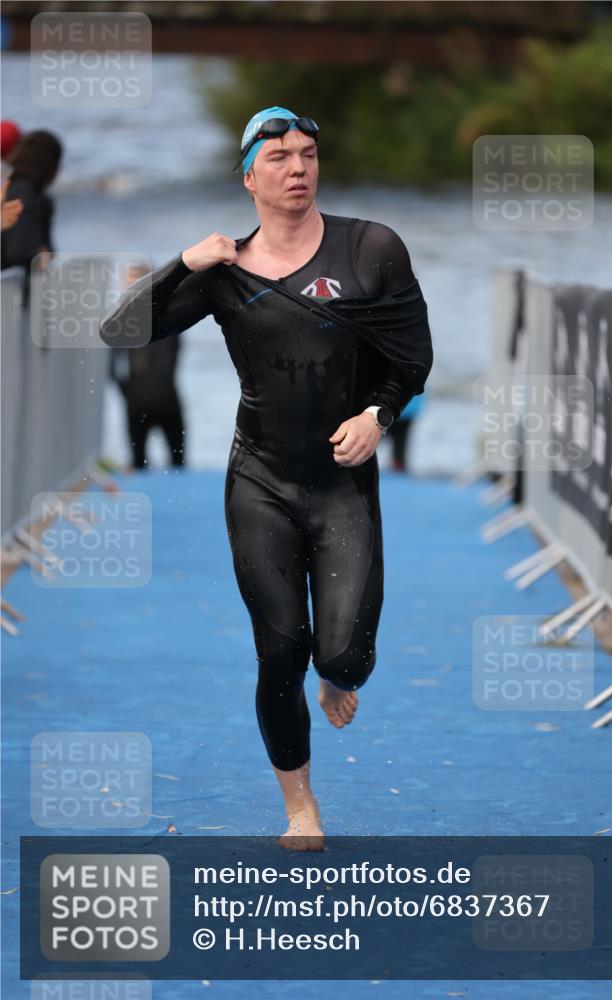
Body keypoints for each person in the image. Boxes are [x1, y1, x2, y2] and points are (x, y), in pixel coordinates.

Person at [100, 106, 432, 851]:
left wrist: (378, 415)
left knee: (343, 655)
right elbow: (118, 331)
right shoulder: (224, 272)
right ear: (249, 176)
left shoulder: (370, 248)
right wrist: (182, 265)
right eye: (278, 157)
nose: (297, 169)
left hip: (343, 481)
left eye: (308, 154)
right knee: (279, 649)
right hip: (261, 479)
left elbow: (412, 357)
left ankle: (339, 673)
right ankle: (301, 808)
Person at [109, 262, 187, 470]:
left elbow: (111, 367)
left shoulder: (121, 321)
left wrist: (125, 391)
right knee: (178, 465)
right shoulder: (172, 313)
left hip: (137, 398)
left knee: (138, 465)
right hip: (167, 396)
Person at [0, 129, 62, 273]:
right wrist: (41, 254)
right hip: (20, 288)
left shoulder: (13, 187)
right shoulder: (28, 195)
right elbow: (18, 251)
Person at [385, 390, 426, 472]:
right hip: (408, 408)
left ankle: (398, 465)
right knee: (400, 442)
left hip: (392, 407)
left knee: (374, 438)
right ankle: (398, 465)